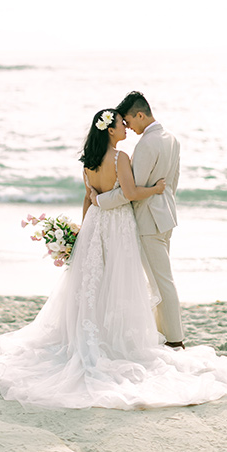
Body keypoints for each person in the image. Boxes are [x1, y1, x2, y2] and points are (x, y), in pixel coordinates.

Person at [0, 108, 227, 410]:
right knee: (119, 281)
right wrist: (156, 189)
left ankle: (94, 333)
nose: (126, 129)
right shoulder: (121, 158)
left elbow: (87, 197)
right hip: (117, 223)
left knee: (94, 281)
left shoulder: (88, 163)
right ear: (109, 129)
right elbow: (130, 193)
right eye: (121, 124)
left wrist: (81, 232)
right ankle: (118, 338)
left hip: (95, 222)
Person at [91, 92, 184, 348]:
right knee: (160, 279)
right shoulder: (171, 138)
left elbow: (130, 193)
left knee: (160, 282)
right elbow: (172, 183)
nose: (129, 127)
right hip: (166, 217)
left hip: (147, 221)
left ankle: (175, 340)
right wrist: (162, 202)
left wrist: (99, 201)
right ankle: (164, 334)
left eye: (130, 121)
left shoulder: (146, 145)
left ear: (140, 115)